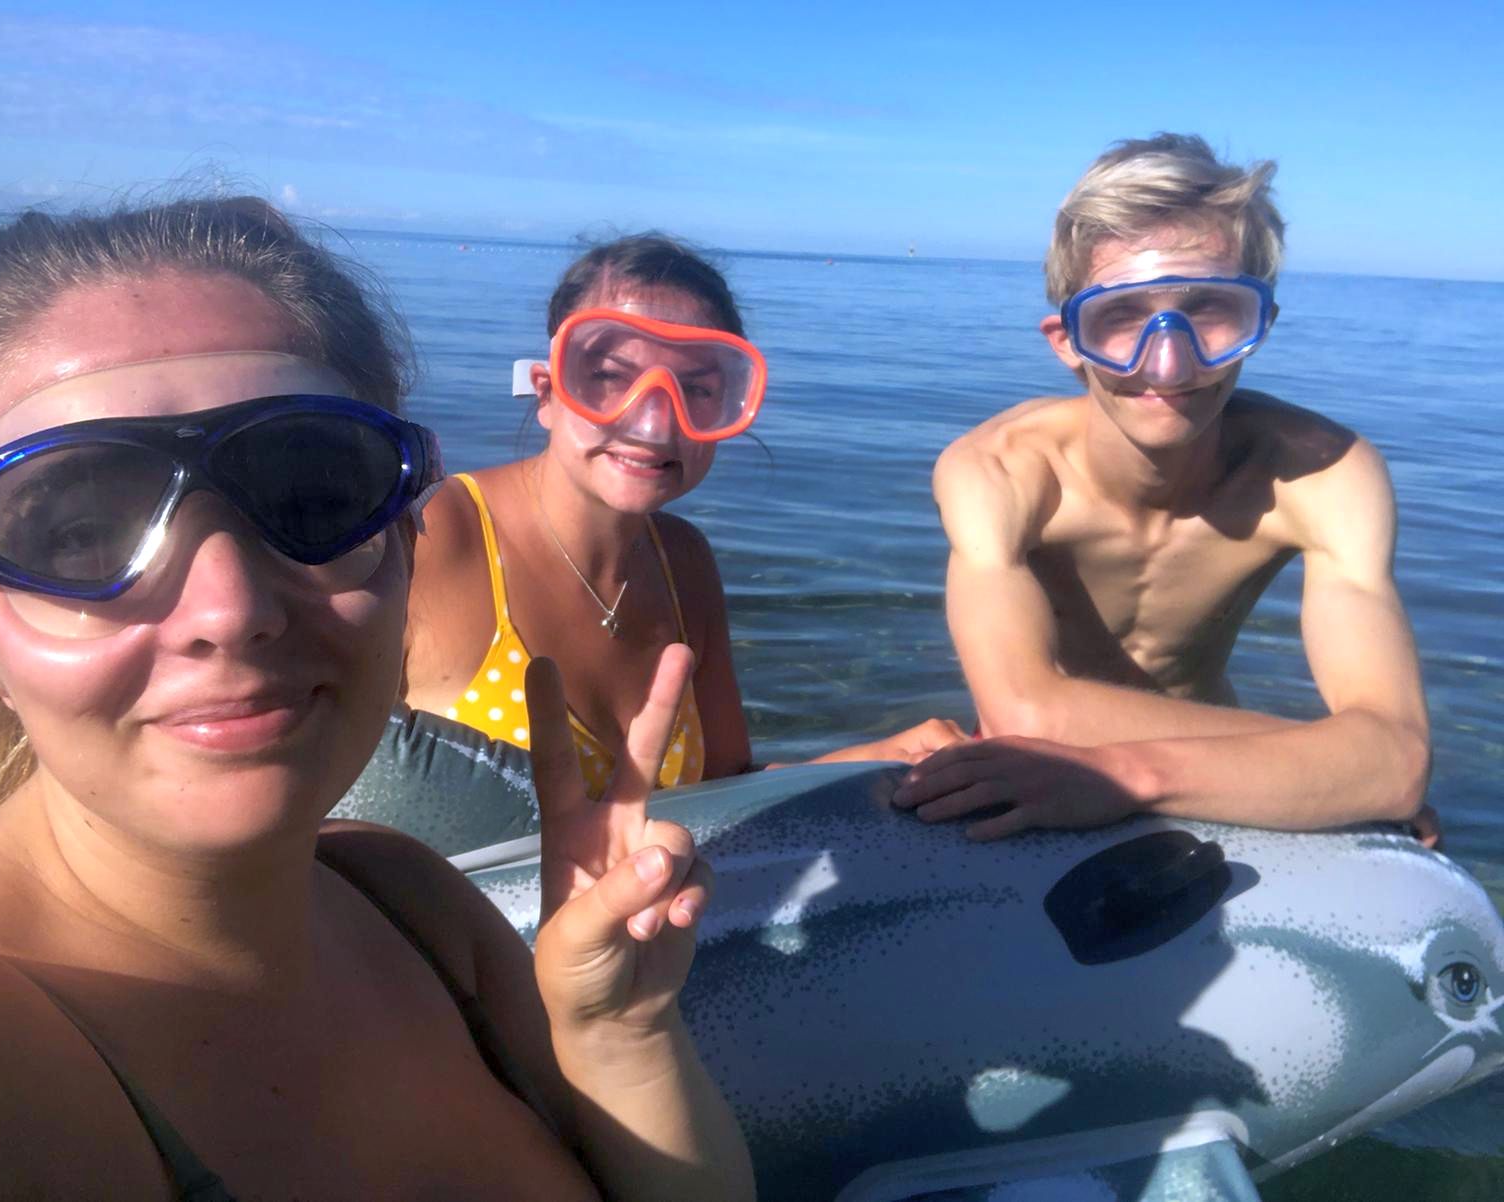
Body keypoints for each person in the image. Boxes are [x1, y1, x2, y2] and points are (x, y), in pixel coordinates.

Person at [0, 200, 753, 1200]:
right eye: (78, 532)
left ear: (401, 548)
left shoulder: (412, 903)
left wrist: (618, 1034)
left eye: (312, 498)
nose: (230, 609)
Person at [896, 134, 1436, 844]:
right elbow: (1023, 717)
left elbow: (1396, 762)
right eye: (1121, 316)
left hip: (1210, 785)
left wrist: (1135, 776)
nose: (1170, 364)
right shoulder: (1000, 471)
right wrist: (1334, 765)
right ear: (1067, 339)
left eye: (1211, 309)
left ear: (1261, 324)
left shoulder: (1322, 472)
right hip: (1045, 774)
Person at [401, 234, 964, 801]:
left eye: (696, 388)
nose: (654, 424)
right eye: (611, 376)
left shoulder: (684, 562)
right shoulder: (432, 535)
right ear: (547, 393)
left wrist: (871, 762)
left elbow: (721, 789)